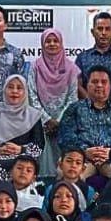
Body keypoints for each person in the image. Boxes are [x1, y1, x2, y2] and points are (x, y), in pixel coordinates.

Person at [57, 66, 111, 179]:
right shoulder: (74, 109)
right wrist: (84, 151)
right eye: (95, 82)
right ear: (87, 85)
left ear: (110, 86)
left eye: (104, 82)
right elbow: (65, 136)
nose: (99, 85)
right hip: (82, 158)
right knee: (64, 173)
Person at [26, 28, 81, 177]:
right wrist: (46, 119)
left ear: (61, 43)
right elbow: (31, 95)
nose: (52, 44)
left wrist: (59, 121)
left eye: (55, 41)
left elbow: (72, 98)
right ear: (42, 45)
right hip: (40, 123)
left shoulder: (71, 69)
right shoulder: (35, 67)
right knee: (43, 162)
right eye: (48, 41)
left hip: (65, 122)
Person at [0, 74, 45, 184]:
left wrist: (21, 149)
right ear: (4, 90)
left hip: (24, 157)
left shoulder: (33, 115)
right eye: (10, 87)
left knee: (25, 168)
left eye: (19, 88)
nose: (14, 91)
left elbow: (39, 146)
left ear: (25, 92)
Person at [75, 11, 111, 104]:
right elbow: (77, 85)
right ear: (93, 32)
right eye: (100, 29)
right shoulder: (82, 58)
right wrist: (92, 106)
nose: (103, 33)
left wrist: (110, 109)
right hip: (87, 112)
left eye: (107, 29)